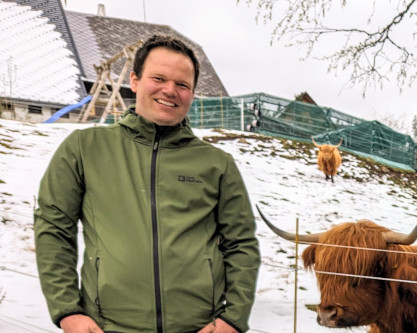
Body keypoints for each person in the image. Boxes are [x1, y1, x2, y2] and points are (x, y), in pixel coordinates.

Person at [34, 35, 261, 333]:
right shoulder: (84, 148)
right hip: (107, 327)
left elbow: (242, 244)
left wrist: (232, 319)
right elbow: (53, 230)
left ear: (192, 93)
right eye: (159, 78)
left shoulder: (216, 164)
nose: (170, 90)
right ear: (135, 80)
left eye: (183, 84)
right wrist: (68, 311)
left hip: (198, 328)